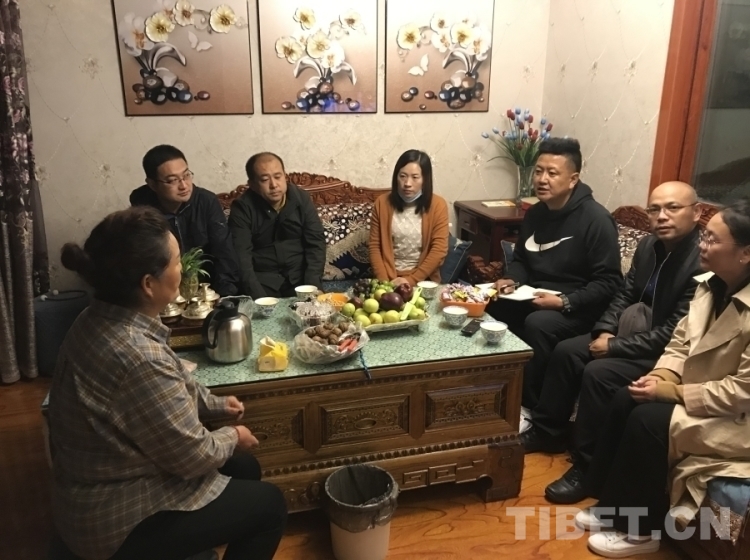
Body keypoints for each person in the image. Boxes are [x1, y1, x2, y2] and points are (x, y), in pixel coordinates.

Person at [48, 207, 287, 560]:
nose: (182, 270)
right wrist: (233, 435)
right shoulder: (138, 355)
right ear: (148, 284)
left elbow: (170, 384)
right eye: (177, 262)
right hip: (114, 518)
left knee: (244, 468)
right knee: (269, 506)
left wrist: (215, 404)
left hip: (102, 480)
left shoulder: (99, 316)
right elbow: (193, 457)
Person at [574, 199, 750, 558]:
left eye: (713, 240)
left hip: (738, 418)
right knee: (626, 395)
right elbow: (680, 342)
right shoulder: (710, 285)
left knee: (650, 421)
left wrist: (670, 392)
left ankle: (641, 531)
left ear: (746, 254)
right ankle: (610, 504)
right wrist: (660, 374)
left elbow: (741, 392)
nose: (702, 245)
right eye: (704, 236)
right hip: (702, 393)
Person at [519, 182, 703, 504]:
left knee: (598, 373)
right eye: (654, 209)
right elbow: (624, 293)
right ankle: (548, 432)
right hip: (631, 332)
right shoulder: (649, 246)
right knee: (567, 351)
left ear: (696, 212)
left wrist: (615, 348)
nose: (662, 216)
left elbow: (675, 332)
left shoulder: (702, 262)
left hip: (667, 354)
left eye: (673, 208)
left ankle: (586, 468)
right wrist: (605, 330)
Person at [488, 137, 622, 413]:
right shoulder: (536, 213)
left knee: (539, 323)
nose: (542, 179)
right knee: (494, 304)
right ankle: (496, 389)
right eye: (539, 171)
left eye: (552, 173)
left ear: (573, 179)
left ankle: (528, 406)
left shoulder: (596, 220)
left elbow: (609, 282)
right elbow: (522, 259)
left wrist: (564, 302)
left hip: (579, 306)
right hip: (536, 295)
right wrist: (511, 279)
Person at [130, 144, 239, 296]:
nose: (184, 185)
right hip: (164, 290)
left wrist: (225, 296)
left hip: (207, 286)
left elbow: (224, 252)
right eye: (172, 180)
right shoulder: (143, 207)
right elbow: (145, 259)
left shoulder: (206, 202)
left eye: (186, 175)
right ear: (152, 184)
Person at [229, 152, 326, 299]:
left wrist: (312, 288)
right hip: (263, 282)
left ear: (285, 176)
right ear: (252, 184)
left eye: (278, 177)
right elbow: (242, 258)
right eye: (264, 179)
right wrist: (259, 299)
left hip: (300, 278)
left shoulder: (301, 199)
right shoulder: (242, 208)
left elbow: (316, 244)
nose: (274, 185)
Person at [369, 149, 449, 285]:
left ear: (425, 179)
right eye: (403, 176)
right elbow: (374, 247)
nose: (407, 183)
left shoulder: (438, 205)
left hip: (423, 280)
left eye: (415, 177)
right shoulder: (382, 203)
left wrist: (410, 281)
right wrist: (385, 284)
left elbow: (439, 250)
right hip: (388, 279)